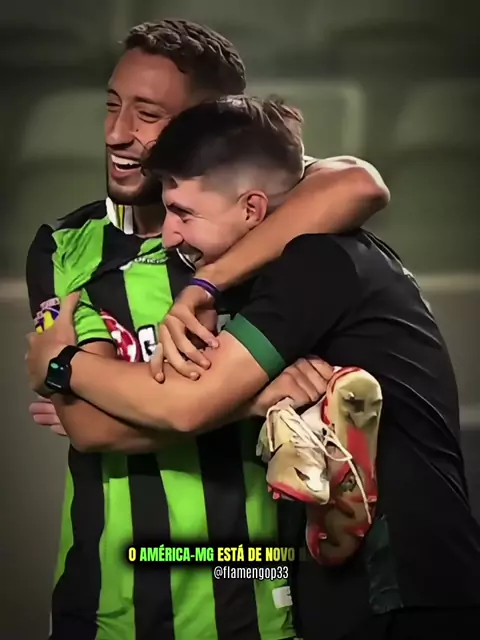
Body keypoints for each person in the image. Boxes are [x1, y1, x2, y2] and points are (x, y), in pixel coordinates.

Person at [27, 96, 480, 640]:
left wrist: (62, 362)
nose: (169, 235)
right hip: (343, 585)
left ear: (252, 209)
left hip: (402, 587)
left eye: (183, 213)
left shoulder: (315, 263)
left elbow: (185, 406)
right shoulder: (292, 263)